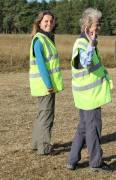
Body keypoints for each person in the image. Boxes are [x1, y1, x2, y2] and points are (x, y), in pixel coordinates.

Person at [67, 7, 113, 172]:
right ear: (87, 26)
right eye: (96, 24)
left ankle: (72, 160)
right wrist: (92, 44)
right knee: (93, 129)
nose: (99, 27)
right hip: (89, 96)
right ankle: (96, 163)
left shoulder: (86, 42)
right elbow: (84, 62)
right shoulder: (83, 44)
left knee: (83, 128)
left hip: (84, 96)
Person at [29, 11, 64, 155]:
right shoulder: (39, 40)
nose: (49, 23)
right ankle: (44, 148)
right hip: (45, 86)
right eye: (46, 21)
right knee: (47, 116)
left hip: (44, 85)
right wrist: (49, 85)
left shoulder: (46, 38)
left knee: (42, 115)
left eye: (51, 21)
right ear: (39, 22)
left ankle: (36, 144)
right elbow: (42, 65)